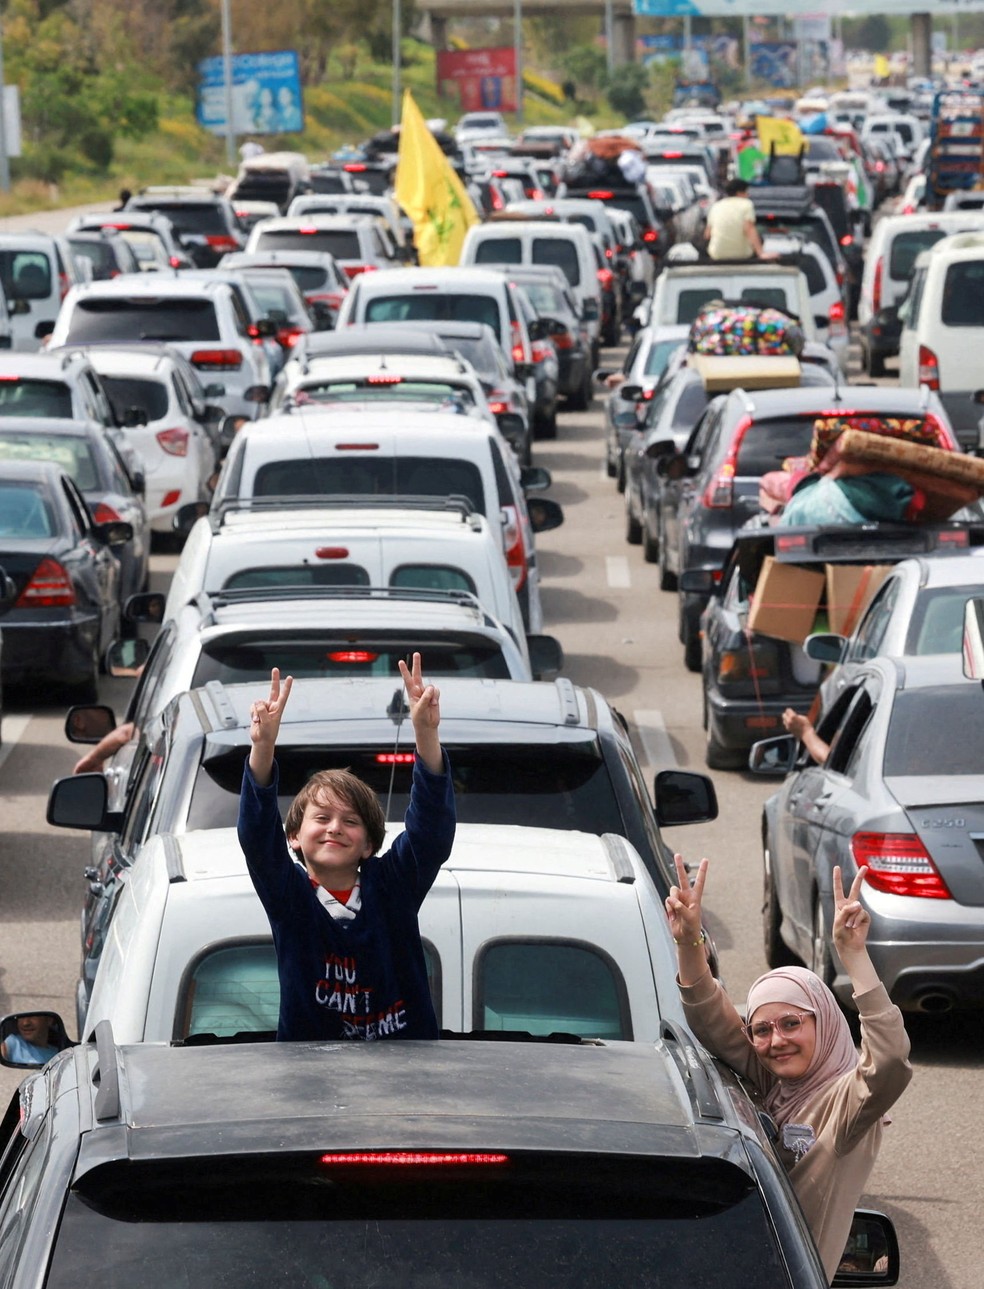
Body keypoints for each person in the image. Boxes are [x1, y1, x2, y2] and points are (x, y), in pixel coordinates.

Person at [665, 855, 912, 1283]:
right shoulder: (771, 1079)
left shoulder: (849, 1108)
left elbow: (889, 1060)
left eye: (792, 1023)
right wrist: (689, 943)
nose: (776, 1041)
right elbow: (711, 1019)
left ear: (824, 1019)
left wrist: (854, 957)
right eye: (761, 1029)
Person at [238, 654, 455, 1043]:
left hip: (407, 1082)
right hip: (310, 1089)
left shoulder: (392, 886)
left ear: (370, 844)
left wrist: (425, 733)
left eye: (351, 821)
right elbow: (256, 837)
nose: (334, 829)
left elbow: (431, 834)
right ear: (293, 837)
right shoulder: (288, 895)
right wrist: (263, 747)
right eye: (321, 818)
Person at [704, 177, 776, 261]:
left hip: (717, 254)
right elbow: (749, 229)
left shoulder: (716, 206)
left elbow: (707, 235)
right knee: (759, 237)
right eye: (746, 192)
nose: (748, 195)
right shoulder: (746, 204)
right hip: (742, 254)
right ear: (739, 193)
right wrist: (761, 253)